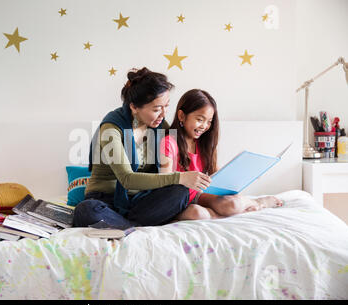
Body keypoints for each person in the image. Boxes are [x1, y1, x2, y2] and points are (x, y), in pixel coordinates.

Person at [73, 67, 211, 229]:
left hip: (140, 202)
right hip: (106, 200)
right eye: (157, 109)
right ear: (134, 107)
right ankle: (134, 226)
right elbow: (127, 179)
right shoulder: (111, 128)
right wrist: (180, 177)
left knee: (179, 191)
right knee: (86, 210)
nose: (163, 114)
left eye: (166, 106)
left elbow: (176, 151)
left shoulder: (159, 126)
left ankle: (124, 226)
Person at [159, 89, 284, 221]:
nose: (204, 126)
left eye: (209, 121)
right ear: (182, 116)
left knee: (232, 204)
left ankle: (257, 202)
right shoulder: (169, 141)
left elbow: (216, 174)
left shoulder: (203, 143)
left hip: (200, 195)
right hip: (180, 200)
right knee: (197, 214)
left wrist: (243, 175)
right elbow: (164, 180)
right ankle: (231, 212)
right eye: (200, 119)